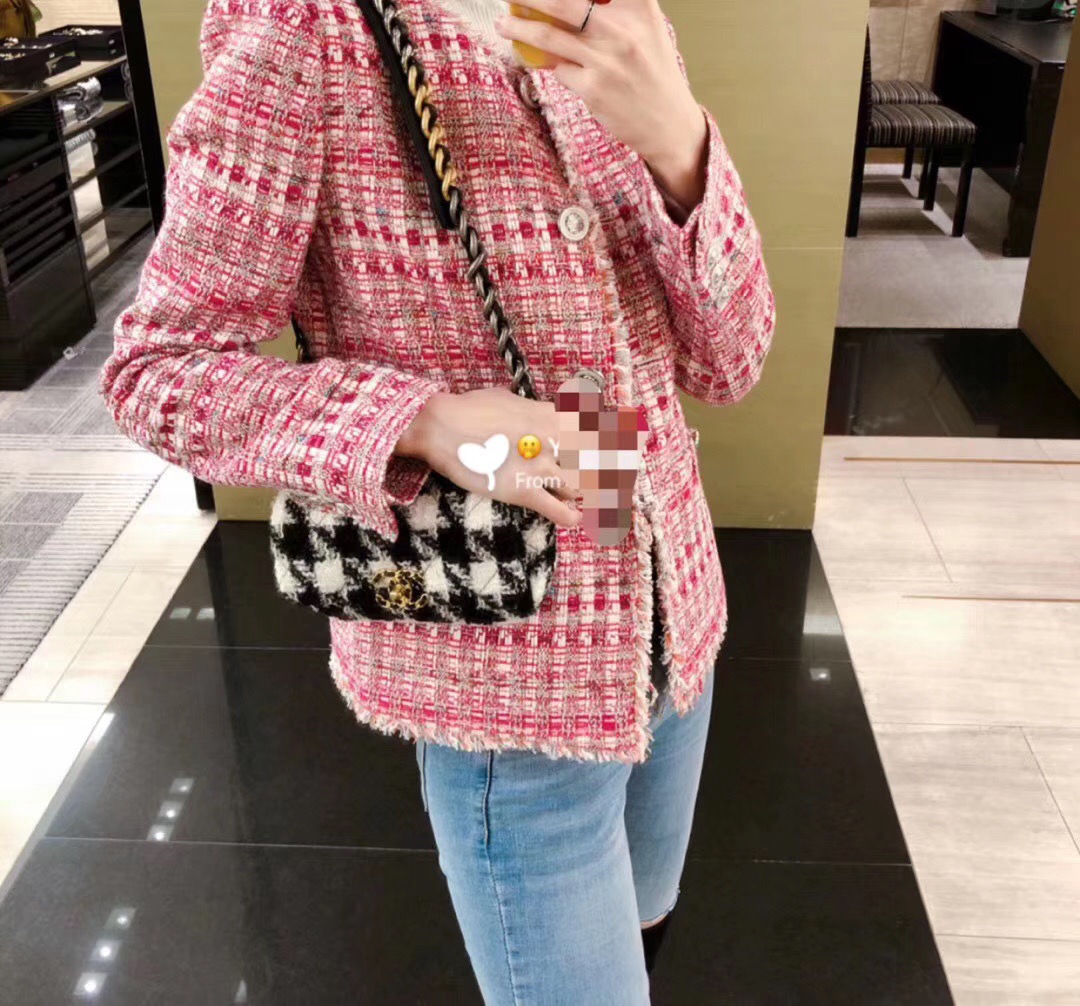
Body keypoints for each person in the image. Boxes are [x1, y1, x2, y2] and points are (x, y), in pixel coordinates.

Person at [99, 0, 775, 1001]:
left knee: (644, 925)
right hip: (504, 683)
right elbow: (157, 372)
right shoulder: (306, 25)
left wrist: (679, 142)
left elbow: (730, 362)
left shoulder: (617, 17)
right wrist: (425, 421)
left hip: (674, 618)